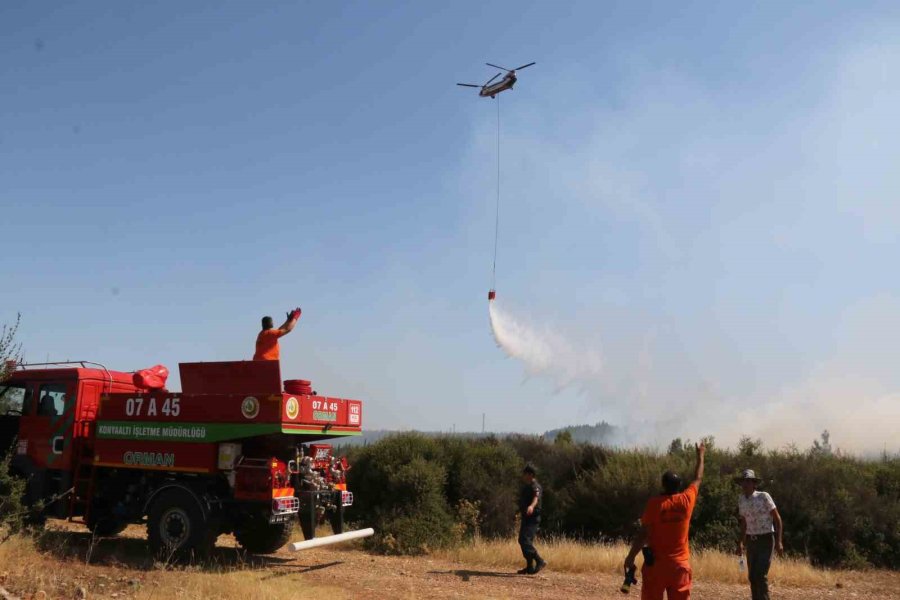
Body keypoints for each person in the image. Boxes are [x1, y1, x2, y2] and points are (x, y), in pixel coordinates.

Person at [624, 442, 706, 600]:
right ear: (679, 486)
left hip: (656, 567)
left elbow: (643, 534)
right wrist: (700, 455)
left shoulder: (654, 504)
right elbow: (698, 477)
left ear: (663, 484)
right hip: (680, 566)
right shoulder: (686, 500)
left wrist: (631, 557)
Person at [735, 469, 783, 600]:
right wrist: (740, 542)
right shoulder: (741, 500)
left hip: (766, 539)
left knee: (760, 575)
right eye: (743, 481)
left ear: (754, 484)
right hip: (751, 540)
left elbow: (777, 519)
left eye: (748, 481)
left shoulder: (763, 497)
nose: (745, 484)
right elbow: (744, 523)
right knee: (752, 576)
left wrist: (779, 541)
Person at [517, 463, 547, 575]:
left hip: (533, 517)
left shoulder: (535, 486)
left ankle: (539, 560)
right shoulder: (527, 486)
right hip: (526, 517)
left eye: (525, 474)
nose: (523, 476)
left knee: (525, 540)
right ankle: (529, 566)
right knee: (522, 540)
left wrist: (531, 506)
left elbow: (536, 498)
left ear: (530, 474)